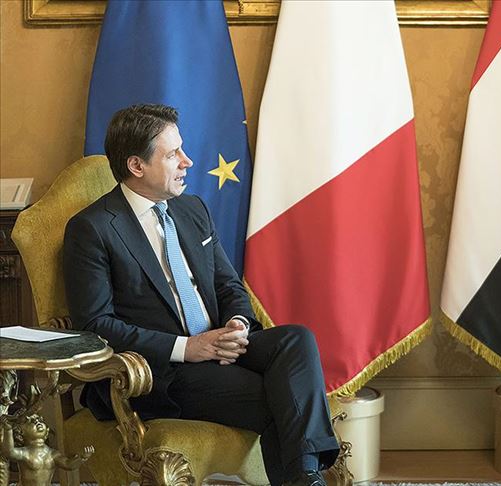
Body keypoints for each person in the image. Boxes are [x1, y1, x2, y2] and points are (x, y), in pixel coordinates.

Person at [63, 104, 339, 486]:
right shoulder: (92, 228)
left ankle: (304, 478)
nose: (187, 161)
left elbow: (228, 285)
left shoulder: (192, 209)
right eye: (172, 154)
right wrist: (187, 348)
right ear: (137, 166)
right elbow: (95, 325)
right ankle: (306, 478)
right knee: (286, 396)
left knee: (296, 339)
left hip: (219, 344)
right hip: (161, 370)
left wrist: (236, 325)